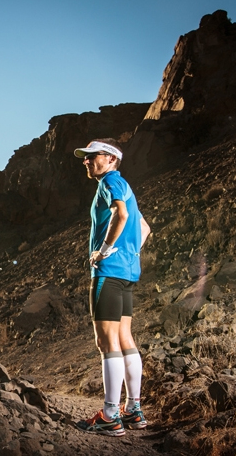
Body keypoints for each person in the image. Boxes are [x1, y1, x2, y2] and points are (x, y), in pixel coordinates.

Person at [72, 138, 152, 436]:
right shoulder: (125, 185)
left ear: (110, 159)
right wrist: (129, 253)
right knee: (124, 338)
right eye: (86, 157)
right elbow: (144, 228)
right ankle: (133, 411)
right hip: (128, 272)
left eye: (93, 156)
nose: (87, 161)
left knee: (106, 343)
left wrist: (104, 251)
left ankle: (109, 416)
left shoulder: (110, 182)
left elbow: (122, 215)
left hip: (109, 272)